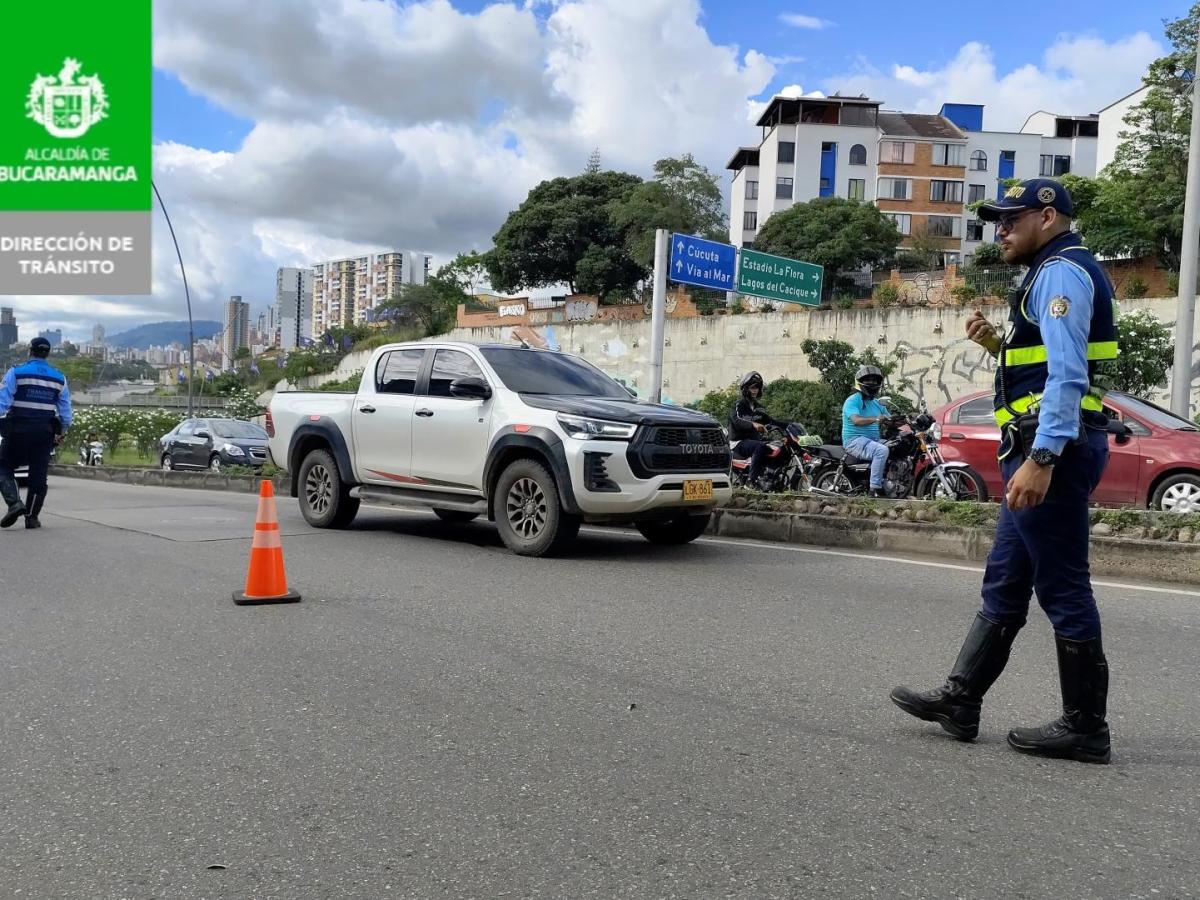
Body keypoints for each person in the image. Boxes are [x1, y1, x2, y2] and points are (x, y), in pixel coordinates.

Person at [889, 178, 1119, 764]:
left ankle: (1085, 727)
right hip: (1040, 446)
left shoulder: (1061, 273)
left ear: (1048, 217)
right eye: (998, 221)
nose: (1001, 231)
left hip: (1052, 452)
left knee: (1063, 586)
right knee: (1006, 580)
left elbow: (1068, 376)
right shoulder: (1049, 272)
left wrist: (1042, 459)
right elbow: (1042, 365)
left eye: (1011, 220)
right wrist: (999, 346)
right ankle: (961, 700)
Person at [0, 337, 73, 529]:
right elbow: (66, 413)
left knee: (3, 466)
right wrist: (62, 431)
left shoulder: (16, 372)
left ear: (30, 351)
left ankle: (14, 503)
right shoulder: (59, 378)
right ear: (47, 354)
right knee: (38, 474)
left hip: (18, 429)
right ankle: (32, 518)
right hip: (44, 432)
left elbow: (2, 403)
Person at [729, 371, 787, 491]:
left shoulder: (759, 408)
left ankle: (771, 478)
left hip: (753, 441)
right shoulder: (739, 405)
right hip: (738, 442)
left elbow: (771, 421)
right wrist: (753, 424)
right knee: (760, 446)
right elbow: (736, 420)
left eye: (757, 387)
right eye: (752, 387)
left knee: (779, 447)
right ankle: (751, 481)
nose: (755, 390)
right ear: (745, 388)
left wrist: (791, 425)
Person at [841, 365, 891, 498]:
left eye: (875, 380)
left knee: (896, 446)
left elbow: (889, 419)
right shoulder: (852, 400)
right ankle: (874, 489)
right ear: (860, 382)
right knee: (881, 451)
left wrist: (908, 419)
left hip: (873, 440)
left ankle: (892, 483)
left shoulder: (877, 403)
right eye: (868, 380)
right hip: (854, 440)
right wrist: (876, 419)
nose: (872, 383)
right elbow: (856, 420)